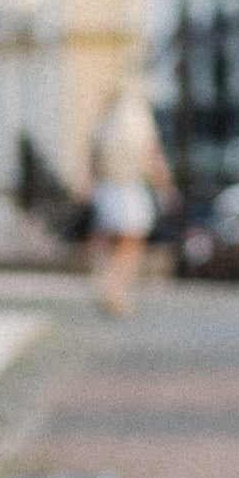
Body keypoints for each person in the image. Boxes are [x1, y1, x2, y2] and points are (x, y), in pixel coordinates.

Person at [87, 81, 171, 316]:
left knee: (115, 241)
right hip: (130, 188)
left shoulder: (104, 123)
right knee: (132, 241)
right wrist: (165, 189)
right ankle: (114, 286)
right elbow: (153, 159)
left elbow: (92, 159)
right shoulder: (140, 123)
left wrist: (90, 187)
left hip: (107, 188)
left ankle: (111, 283)